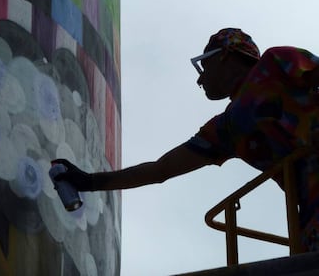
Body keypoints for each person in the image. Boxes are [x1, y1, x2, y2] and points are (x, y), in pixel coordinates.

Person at [53, 28, 319, 252]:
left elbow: (160, 171)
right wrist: (88, 181)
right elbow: (161, 169)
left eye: (204, 66)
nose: (201, 79)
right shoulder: (226, 127)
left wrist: (89, 182)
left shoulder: (276, 63)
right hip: (310, 220)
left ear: (226, 55)